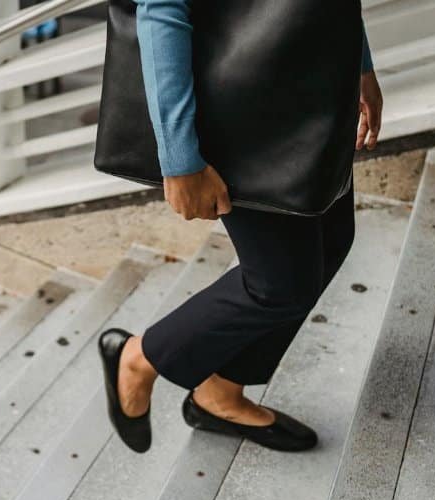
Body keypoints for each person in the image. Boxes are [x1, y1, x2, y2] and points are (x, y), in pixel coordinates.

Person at [98, 0, 383, 454]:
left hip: (312, 86)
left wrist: (358, 62)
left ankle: (219, 394)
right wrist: (180, 159)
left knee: (331, 242)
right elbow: (161, 6)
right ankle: (138, 359)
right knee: (279, 284)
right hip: (244, 108)